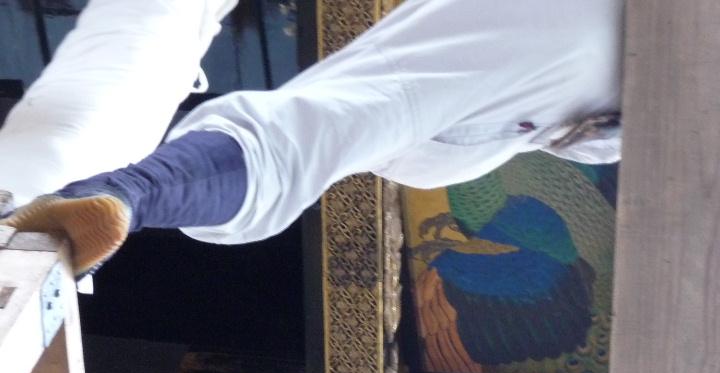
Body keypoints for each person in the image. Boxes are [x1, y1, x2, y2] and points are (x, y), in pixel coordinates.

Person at [1, 0, 624, 277]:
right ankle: (131, 192)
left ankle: (130, 191)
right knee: (313, 134)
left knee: (316, 131)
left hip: (569, 81)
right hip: (583, 82)